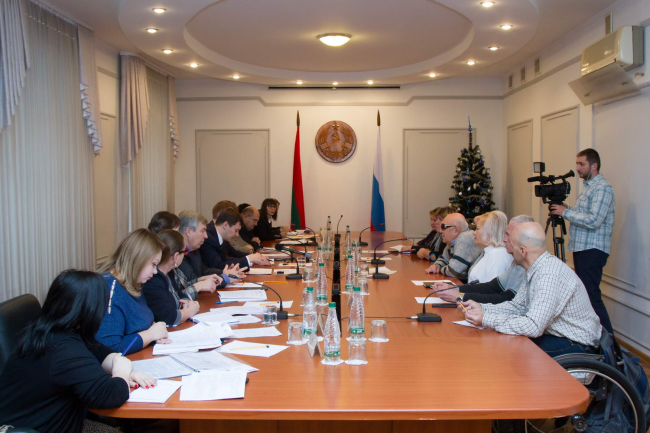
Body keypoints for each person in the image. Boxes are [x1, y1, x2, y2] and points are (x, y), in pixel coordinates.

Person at [0, 270, 156, 433]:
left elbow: (100, 351)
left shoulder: (51, 331)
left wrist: (124, 369)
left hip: (51, 421)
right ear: (92, 309)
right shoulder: (64, 350)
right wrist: (121, 372)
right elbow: (110, 395)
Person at [462, 222, 602, 357]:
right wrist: (482, 308)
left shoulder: (548, 274)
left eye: (510, 242)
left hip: (575, 343)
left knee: (508, 349)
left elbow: (533, 326)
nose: (506, 244)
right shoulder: (535, 268)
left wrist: (486, 318)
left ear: (523, 251)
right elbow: (518, 306)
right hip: (556, 335)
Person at [550, 148, 615, 334]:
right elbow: (584, 215)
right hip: (583, 248)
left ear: (594, 166)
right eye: (577, 163)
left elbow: (594, 220)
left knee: (592, 296)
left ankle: (609, 344)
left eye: (581, 164)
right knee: (586, 295)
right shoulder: (589, 187)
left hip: (592, 249)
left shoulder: (602, 188)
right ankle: (591, 336)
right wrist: (567, 209)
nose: (578, 168)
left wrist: (565, 213)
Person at [96, 229, 172, 354]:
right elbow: (110, 348)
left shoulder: (133, 283)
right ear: (138, 259)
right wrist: (150, 334)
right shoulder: (109, 288)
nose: (155, 271)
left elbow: (140, 320)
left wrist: (155, 329)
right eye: (153, 264)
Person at [436, 215, 533, 304]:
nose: (504, 239)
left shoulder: (499, 255)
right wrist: (455, 289)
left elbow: (505, 299)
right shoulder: (515, 262)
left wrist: (460, 296)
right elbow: (493, 286)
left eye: (508, 235)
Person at [143, 229, 200, 326]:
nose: (185, 255)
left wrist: (187, 303)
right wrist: (191, 310)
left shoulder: (170, 272)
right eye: (185, 251)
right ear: (176, 256)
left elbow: (181, 295)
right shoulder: (152, 280)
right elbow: (169, 318)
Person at [177, 210, 234, 295]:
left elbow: (204, 271)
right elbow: (193, 282)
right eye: (202, 231)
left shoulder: (195, 251)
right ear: (189, 231)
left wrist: (225, 273)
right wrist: (224, 278)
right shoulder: (178, 254)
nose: (206, 236)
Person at [200, 207, 271, 270]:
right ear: (225, 225)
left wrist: (252, 258)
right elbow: (218, 266)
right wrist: (249, 259)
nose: (237, 235)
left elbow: (227, 258)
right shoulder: (208, 237)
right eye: (236, 230)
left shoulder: (221, 236)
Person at [425, 213, 483, 282]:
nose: (440, 231)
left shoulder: (465, 238)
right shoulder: (452, 241)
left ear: (456, 230)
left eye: (443, 227)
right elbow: (444, 259)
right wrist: (436, 265)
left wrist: (439, 269)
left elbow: (454, 271)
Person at [465, 211, 513, 283]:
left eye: (477, 229)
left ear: (490, 231)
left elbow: (492, 287)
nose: (474, 232)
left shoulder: (497, 254)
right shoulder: (490, 251)